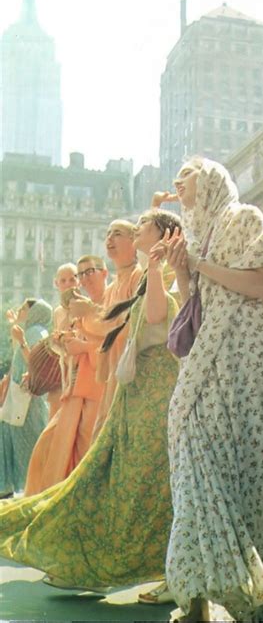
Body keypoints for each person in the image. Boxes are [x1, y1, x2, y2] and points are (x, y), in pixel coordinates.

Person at [0, 209, 181, 592]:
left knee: (112, 478)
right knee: (90, 472)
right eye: (109, 234)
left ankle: (101, 560)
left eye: (123, 232)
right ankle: (82, 554)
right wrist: (73, 337)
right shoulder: (125, 281)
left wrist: (87, 322)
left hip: (141, 392)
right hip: (115, 391)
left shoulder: (152, 274)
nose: (111, 238)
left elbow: (134, 324)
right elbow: (111, 330)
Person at [159, 157, 263, 622]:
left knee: (247, 475)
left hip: (248, 358)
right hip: (204, 360)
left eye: (188, 172)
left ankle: (246, 598)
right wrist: (184, 270)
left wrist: (199, 264)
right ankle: (196, 598)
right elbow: (193, 304)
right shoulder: (193, 234)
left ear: (213, 178)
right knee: (191, 463)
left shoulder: (245, 218)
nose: (178, 182)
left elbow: (262, 285)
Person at [24, 256, 108, 495]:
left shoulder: (100, 305)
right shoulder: (64, 311)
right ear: (56, 284)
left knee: (79, 446)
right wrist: (62, 341)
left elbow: (113, 341)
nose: (74, 282)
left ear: (103, 274)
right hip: (67, 383)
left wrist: (83, 346)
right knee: (51, 445)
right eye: (68, 279)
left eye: (79, 276)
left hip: (93, 385)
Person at [69, 220, 143, 440]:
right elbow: (102, 330)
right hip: (112, 373)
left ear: (134, 241)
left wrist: (90, 311)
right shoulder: (113, 286)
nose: (109, 239)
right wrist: (83, 316)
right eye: (108, 234)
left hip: (131, 373)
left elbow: (126, 324)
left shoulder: (138, 276)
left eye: (117, 234)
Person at [0, 299, 52, 498]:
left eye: (23, 308)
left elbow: (37, 364)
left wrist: (21, 340)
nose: (20, 311)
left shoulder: (37, 333)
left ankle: (34, 490)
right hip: (18, 399)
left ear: (34, 313)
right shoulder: (31, 331)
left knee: (28, 446)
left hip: (28, 402)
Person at [47, 263, 79, 419]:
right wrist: (58, 339)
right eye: (63, 280)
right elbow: (54, 344)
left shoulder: (85, 306)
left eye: (72, 279)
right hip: (61, 371)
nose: (68, 284)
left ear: (78, 281)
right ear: (56, 284)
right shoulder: (57, 312)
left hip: (80, 370)